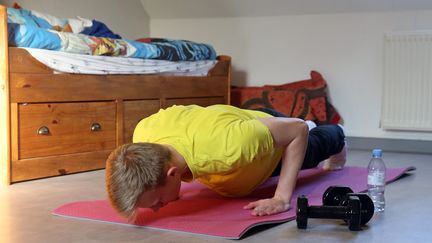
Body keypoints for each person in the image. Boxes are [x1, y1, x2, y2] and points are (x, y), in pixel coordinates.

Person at [105, 104, 346, 221]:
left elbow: (297, 130)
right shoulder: (143, 132)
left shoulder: (230, 149)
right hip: (240, 123)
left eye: (157, 203)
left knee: (316, 141)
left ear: (172, 173)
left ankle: (337, 134)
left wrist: (281, 198)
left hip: (270, 148)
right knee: (260, 128)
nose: (157, 209)